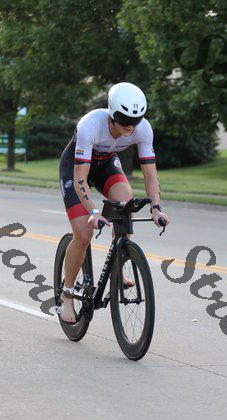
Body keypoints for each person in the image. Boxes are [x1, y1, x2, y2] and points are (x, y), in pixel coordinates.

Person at [59, 81, 170, 324]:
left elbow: (150, 175)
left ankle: (118, 267)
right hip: (76, 169)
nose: (130, 125)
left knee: (126, 204)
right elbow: (80, 179)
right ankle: (67, 294)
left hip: (106, 164)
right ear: (111, 113)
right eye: (123, 119)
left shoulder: (143, 129)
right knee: (84, 234)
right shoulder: (90, 125)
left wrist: (156, 208)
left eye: (135, 120)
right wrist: (94, 211)